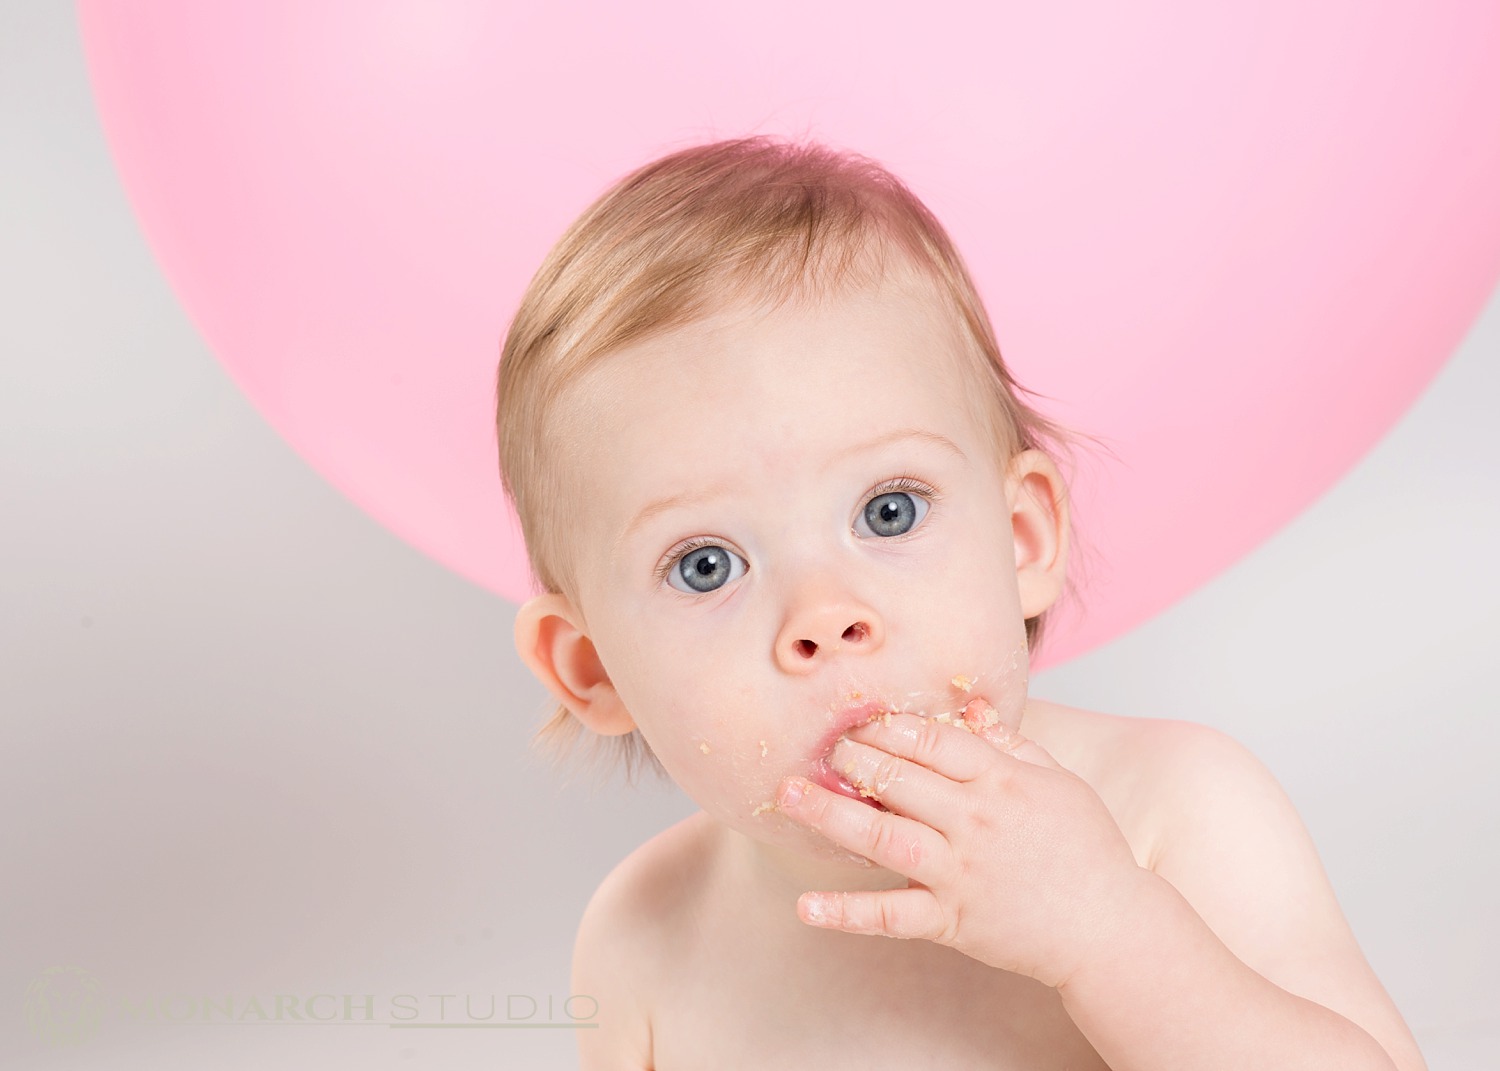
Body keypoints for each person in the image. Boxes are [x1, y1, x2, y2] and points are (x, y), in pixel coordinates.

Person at [495, 136, 1426, 1070]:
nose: (824, 615)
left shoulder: (1174, 812)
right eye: (707, 565)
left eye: (887, 511)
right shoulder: (648, 935)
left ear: (1022, 538)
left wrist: (1108, 929)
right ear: (594, 667)